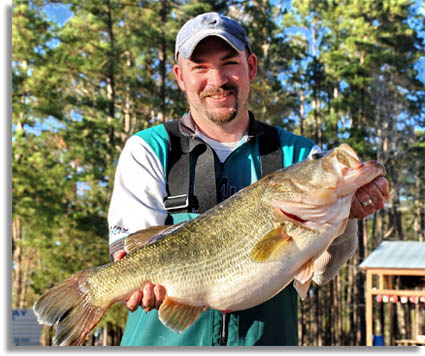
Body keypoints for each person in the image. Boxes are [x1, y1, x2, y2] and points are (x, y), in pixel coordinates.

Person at [108, 12, 389, 346]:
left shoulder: (299, 155)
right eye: (200, 67)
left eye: (229, 63)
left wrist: (348, 215)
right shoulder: (149, 149)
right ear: (180, 76)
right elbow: (132, 251)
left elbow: (320, 274)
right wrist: (133, 282)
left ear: (251, 67)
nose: (217, 79)